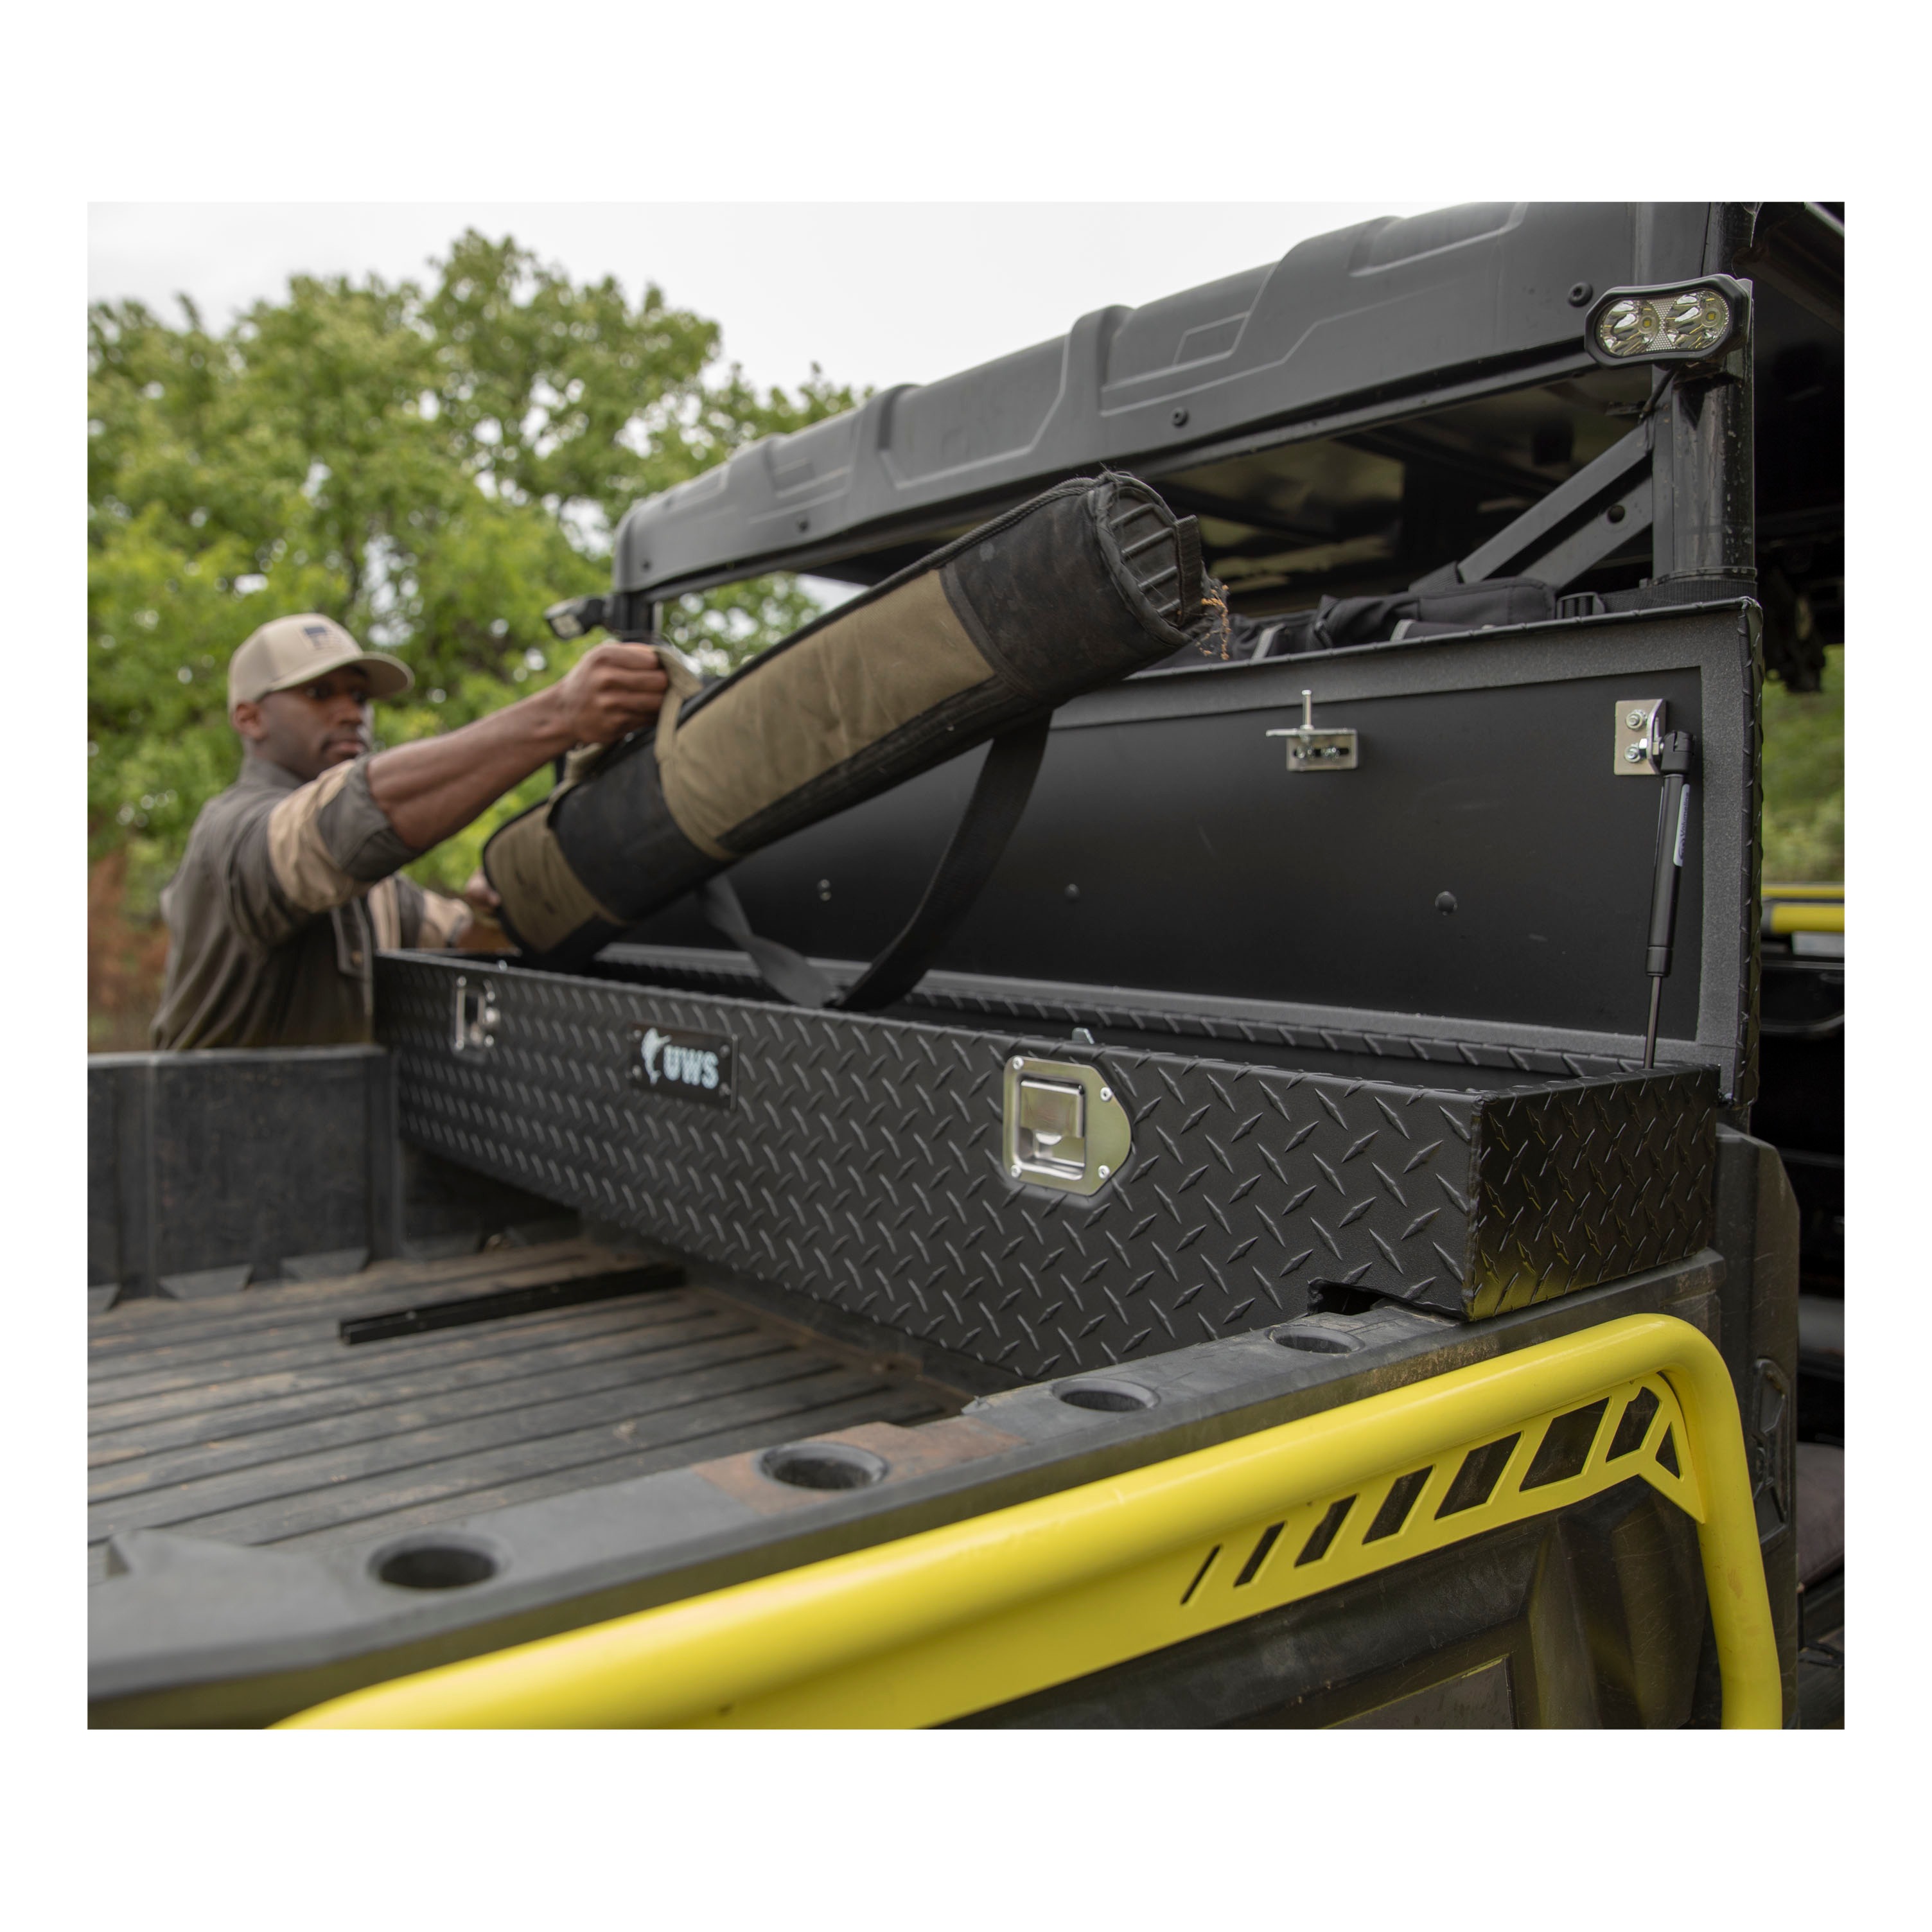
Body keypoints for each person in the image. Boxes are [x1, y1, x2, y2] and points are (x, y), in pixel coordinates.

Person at [149, 612, 667, 1049]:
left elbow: (463, 942)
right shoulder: (230, 834)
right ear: (249, 719)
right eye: (319, 693)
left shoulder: (376, 890)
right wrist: (558, 716)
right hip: (204, 1136)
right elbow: (341, 822)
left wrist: (495, 906)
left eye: (360, 696)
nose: (351, 713)